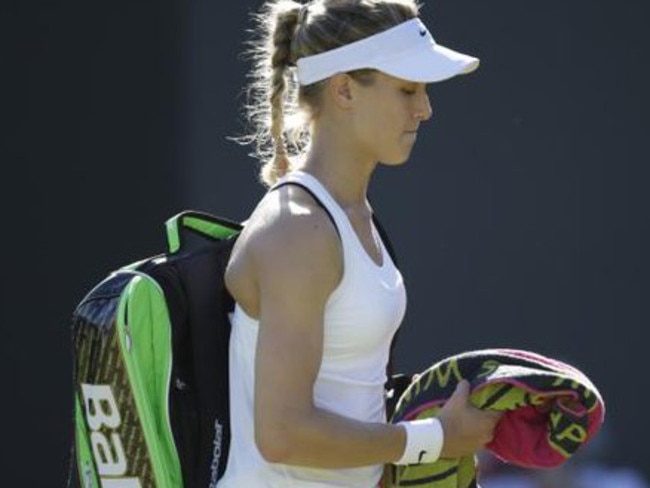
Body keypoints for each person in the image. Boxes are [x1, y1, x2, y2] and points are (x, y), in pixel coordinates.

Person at [219, 0, 501, 486]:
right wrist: (433, 439)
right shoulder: (298, 231)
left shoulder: (348, 217)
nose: (425, 109)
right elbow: (282, 434)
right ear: (344, 90)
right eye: (407, 89)